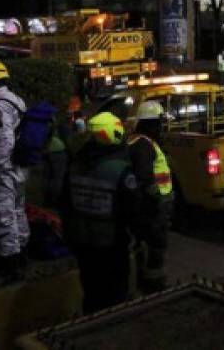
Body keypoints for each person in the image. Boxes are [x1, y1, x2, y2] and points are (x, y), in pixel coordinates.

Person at [61, 112, 139, 313]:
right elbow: (132, 211)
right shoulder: (120, 171)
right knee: (115, 293)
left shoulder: (74, 167)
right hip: (111, 244)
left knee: (91, 290)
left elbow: (65, 205)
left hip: (82, 242)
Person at [0, 60, 29, 287]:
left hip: (4, 169)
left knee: (2, 216)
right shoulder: (14, 100)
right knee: (17, 213)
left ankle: (9, 268)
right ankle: (21, 258)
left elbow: (3, 140)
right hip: (17, 168)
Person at [127, 100, 174, 293]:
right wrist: (157, 203)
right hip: (153, 210)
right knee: (155, 249)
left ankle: (147, 282)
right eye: (159, 124)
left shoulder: (138, 142)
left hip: (150, 209)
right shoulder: (144, 145)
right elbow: (145, 180)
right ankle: (154, 287)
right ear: (151, 124)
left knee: (148, 247)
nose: (162, 128)